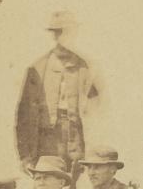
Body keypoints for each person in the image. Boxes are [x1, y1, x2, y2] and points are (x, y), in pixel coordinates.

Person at [13, 10, 99, 174]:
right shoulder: (38, 67)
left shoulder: (85, 67)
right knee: (48, 182)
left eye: (68, 31)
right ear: (53, 35)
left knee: (76, 185)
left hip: (76, 141)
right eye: (58, 32)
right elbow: (24, 115)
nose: (63, 37)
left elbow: (97, 114)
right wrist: (24, 156)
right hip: (47, 141)